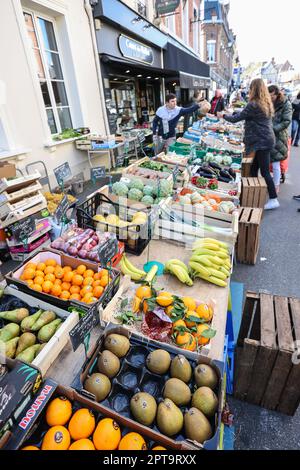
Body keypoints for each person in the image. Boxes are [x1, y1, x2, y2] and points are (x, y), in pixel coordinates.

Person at [218, 78, 278, 210]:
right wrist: (233, 112)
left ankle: (273, 199)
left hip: (261, 141)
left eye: (251, 88)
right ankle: (252, 195)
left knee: (265, 172)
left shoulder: (254, 104)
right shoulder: (264, 103)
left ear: (253, 89)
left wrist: (223, 116)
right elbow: (246, 114)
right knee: (253, 169)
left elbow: (235, 119)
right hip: (264, 139)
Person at [268, 85, 292, 193]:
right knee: (266, 161)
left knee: (276, 163)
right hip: (267, 135)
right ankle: (269, 183)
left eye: (272, 96)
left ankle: (275, 187)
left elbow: (286, 121)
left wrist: (273, 129)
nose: (270, 98)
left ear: (277, 94)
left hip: (279, 137)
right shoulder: (268, 102)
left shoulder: (286, 104)